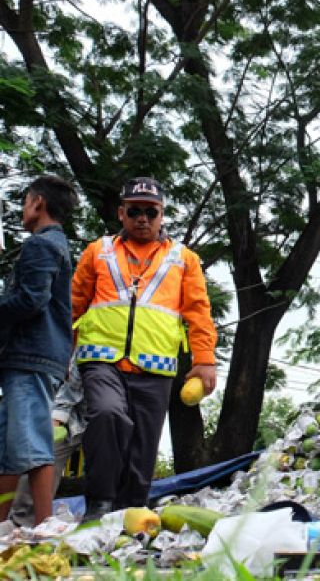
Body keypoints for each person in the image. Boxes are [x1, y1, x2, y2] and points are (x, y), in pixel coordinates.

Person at [71, 177, 217, 520]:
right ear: (121, 213)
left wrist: (204, 361)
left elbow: (198, 310)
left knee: (143, 448)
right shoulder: (99, 251)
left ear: (162, 214)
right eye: (134, 210)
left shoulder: (184, 259)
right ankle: (100, 504)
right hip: (101, 359)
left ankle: (132, 511)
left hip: (156, 366)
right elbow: (73, 304)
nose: (143, 218)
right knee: (107, 414)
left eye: (151, 212)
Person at [0, 175, 78, 525]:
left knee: (32, 442)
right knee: (7, 448)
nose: (22, 209)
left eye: (25, 201)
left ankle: (44, 529)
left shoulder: (41, 245)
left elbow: (32, 299)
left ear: (38, 203)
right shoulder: (56, 244)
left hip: (32, 355)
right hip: (31, 356)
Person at [9, 369, 85, 527]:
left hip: (103, 419)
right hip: (66, 415)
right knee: (42, 450)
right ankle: (22, 522)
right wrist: (58, 416)